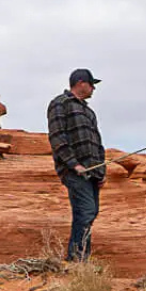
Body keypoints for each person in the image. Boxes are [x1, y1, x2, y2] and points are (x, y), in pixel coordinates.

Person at [48, 68, 106, 263]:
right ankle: (77, 259)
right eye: (92, 85)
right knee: (86, 210)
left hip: (92, 173)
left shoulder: (89, 112)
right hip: (74, 172)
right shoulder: (60, 104)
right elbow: (57, 137)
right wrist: (74, 164)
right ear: (81, 83)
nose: (93, 89)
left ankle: (80, 257)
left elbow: (97, 143)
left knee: (90, 212)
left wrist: (101, 172)